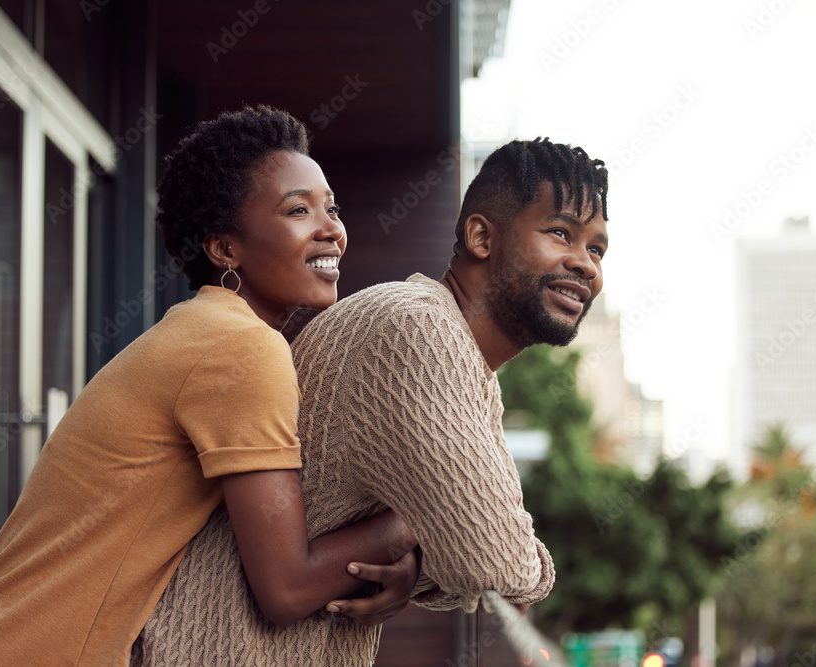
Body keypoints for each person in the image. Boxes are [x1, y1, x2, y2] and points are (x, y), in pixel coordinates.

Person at [0, 106, 419, 666]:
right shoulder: (241, 348)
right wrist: (419, 517)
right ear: (225, 250)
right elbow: (287, 589)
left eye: (331, 208)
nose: (331, 229)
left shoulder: (206, 332)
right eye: (298, 210)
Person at [137, 137, 609, 665]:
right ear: (480, 236)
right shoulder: (416, 329)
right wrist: (430, 538)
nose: (586, 264)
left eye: (596, 249)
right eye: (561, 233)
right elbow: (494, 563)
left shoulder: (466, 367)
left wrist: (422, 553)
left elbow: (465, 550)